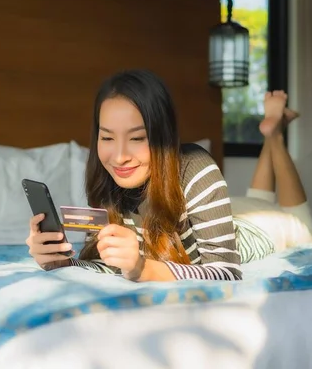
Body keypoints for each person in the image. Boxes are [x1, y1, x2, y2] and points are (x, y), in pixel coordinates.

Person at [26, 69, 242, 282]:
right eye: (107, 138)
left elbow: (227, 272)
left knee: (267, 212)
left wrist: (142, 268)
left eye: (137, 138)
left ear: (163, 137)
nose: (119, 158)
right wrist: (61, 262)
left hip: (257, 231)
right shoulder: (106, 179)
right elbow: (110, 268)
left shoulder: (194, 168)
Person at [230, 90, 312, 262]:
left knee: (303, 227)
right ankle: (275, 132)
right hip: (227, 207)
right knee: (259, 203)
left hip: (243, 227)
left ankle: (275, 134)